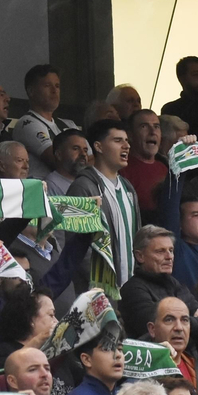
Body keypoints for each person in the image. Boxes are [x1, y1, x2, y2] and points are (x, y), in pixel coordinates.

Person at [67, 119, 140, 287]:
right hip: (98, 293)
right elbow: (77, 247)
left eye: (127, 140)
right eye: (118, 140)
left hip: (130, 290)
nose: (126, 146)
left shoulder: (128, 188)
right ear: (98, 147)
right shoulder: (82, 187)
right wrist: (102, 286)